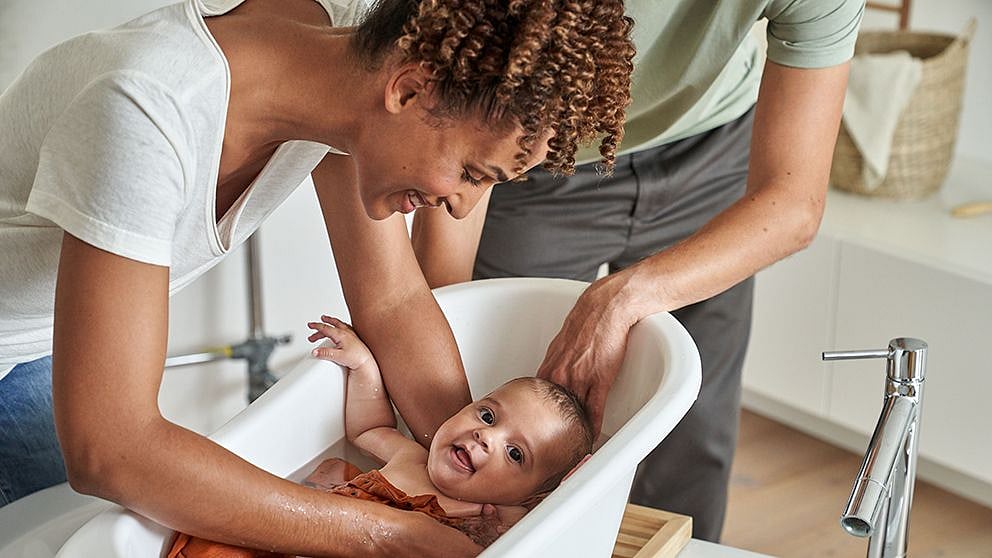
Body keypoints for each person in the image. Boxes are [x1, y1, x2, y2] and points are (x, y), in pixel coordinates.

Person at [0, 0, 634, 555]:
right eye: (472, 172)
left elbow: (390, 302)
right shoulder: (144, 112)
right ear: (409, 92)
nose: (464, 208)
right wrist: (383, 534)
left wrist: (492, 499)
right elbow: (112, 451)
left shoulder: (354, 52)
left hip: (39, 341)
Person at [410, 0, 866, 542]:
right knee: (497, 387)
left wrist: (621, 298)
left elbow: (793, 206)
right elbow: (469, 151)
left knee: (694, 430)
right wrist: (440, 328)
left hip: (713, 151)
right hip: (532, 156)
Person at [167, 316, 594, 556]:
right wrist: (364, 368)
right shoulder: (410, 457)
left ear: (530, 495)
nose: (486, 437)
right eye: (487, 414)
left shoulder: (501, 518)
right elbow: (370, 428)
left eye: (515, 453)